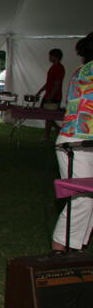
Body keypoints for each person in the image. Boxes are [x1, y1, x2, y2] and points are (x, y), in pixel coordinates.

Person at [52, 35, 93, 252]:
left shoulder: (83, 69)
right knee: (81, 201)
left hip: (83, 142)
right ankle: (58, 258)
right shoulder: (89, 71)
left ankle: (74, 254)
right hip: (76, 144)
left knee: (87, 202)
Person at [35, 48, 65, 139]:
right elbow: (48, 83)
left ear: (55, 56)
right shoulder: (53, 67)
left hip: (54, 97)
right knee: (47, 116)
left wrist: (50, 97)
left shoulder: (59, 68)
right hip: (49, 95)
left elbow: (57, 84)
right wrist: (40, 91)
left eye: (50, 55)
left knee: (49, 116)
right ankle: (52, 132)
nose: (49, 57)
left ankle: (48, 134)